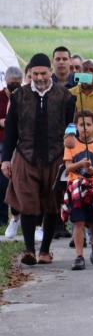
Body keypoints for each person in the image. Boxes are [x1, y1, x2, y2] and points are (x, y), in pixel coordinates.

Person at [2, 53, 76, 265]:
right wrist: (5, 159)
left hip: (57, 157)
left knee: (52, 204)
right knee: (27, 203)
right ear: (29, 74)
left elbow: (71, 126)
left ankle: (44, 251)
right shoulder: (18, 97)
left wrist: (72, 147)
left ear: (50, 72)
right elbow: (10, 132)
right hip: (25, 156)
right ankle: (29, 250)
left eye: (44, 73)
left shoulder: (66, 97)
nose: (40, 77)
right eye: (36, 74)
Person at [61, 110, 93, 270]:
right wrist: (80, 165)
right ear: (76, 127)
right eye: (81, 125)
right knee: (78, 221)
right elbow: (68, 168)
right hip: (76, 186)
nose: (85, 128)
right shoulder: (71, 144)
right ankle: (79, 255)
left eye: (88, 124)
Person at [0, 66, 22, 235]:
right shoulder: (1, 97)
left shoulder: (24, 96)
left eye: (17, 83)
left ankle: (26, 219)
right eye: (11, 83)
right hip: (4, 143)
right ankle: (9, 218)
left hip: (21, 143)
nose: (14, 86)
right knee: (6, 182)